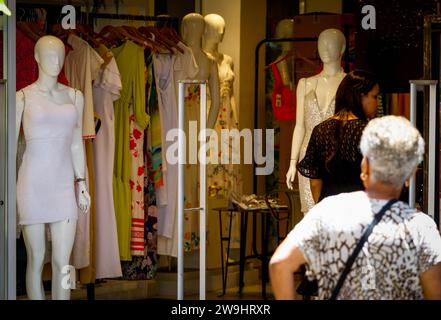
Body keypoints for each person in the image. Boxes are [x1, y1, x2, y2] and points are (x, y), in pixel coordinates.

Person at [270, 116, 441, 300]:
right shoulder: (421, 227)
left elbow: (280, 264)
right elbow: (435, 293)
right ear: (411, 172)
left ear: (364, 163)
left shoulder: (330, 211)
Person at [16, 35, 90, 300]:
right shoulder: (22, 97)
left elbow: (75, 143)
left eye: (59, 55)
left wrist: (81, 183)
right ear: (36, 58)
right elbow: (10, 150)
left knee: (63, 261)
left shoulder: (75, 97)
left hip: (63, 187)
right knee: (36, 260)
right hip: (32, 185)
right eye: (48, 55)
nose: (55, 61)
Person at [286, 28, 346, 214]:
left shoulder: (349, 83)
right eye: (321, 43)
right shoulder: (305, 84)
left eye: (331, 43)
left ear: (342, 48)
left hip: (338, 157)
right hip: (308, 158)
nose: (325, 48)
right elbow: (299, 126)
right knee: (310, 215)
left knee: (336, 215)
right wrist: (292, 162)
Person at [296, 70, 379, 204]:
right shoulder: (370, 131)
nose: (377, 103)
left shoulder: (320, 130)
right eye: (374, 97)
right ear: (361, 96)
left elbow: (315, 181)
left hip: (329, 211)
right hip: (360, 210)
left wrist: (321, 207)